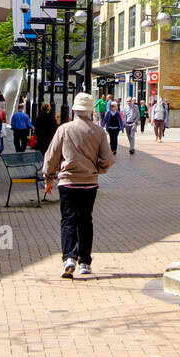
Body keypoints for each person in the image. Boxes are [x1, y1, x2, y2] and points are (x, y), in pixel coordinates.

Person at [43, 92, 114, 278]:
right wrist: (98, 170)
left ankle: (68, 257)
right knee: (85, 220)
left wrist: (49, 178)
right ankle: (84, 261)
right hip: (89, 183)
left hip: (67, 182)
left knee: (68, 219)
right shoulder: (99, 132)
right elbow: (108, 159)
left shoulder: (64, 130)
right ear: (91, 111)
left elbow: (51, 156)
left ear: (74, 109)